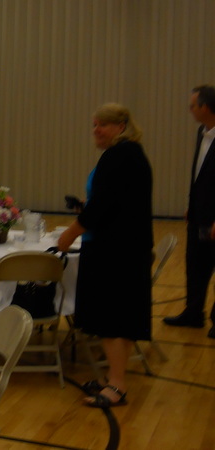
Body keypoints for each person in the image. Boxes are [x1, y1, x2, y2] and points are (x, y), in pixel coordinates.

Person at [58, 103, 153, 408]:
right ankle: (114, 377)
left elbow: (103, 207)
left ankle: (117, 385)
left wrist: (70, 232)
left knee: (113, 321)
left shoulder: (119, 156)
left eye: (104, 125)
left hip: (116, 250)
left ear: (121, 126)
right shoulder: (131, 154)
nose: (97, 130)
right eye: (95, 124)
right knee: (121, 321)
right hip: (126, 248)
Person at [164, 85, 215, 339]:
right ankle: (193, 313)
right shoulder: (201, 132)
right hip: (198, 213)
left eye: (192, 105)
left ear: (205, 107)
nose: (190, 110)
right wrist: (192, 204)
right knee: (195, 264)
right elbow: (201, 175)